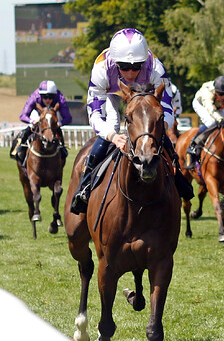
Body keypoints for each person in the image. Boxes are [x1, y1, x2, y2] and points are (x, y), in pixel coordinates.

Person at [70, 28, 192, 214]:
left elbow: (167, 108)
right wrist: (112, 136)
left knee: (154, 129)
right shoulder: (101, 69)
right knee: (111, 125)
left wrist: (158, 128)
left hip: (145, 96)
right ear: (115, 62)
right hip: (112, 95)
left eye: (136, 67)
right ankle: (85, 186)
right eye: (124, 67)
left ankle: (178, 179)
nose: (130, 72)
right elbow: (94, 114)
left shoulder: (155, 68)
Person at [11, 80, 72, 165]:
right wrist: (32, 122)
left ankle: (62, 151)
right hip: (37, 114)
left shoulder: (59, 98)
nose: (47, 100)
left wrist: (59, 123)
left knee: (58, 132)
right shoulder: (35, 97)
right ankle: (18, 149)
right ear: (40, 95)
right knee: (25, 132)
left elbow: (68, 118)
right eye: (45, 97)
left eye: (50, 97)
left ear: (54, 96)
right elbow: (23, 116)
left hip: (51, 117)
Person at [185, 75, 224, 166]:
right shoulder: (207, 93)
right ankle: (194, 143)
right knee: (211, 122)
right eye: (220, 94)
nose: (223, 97)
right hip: (201, 104)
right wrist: (219, 119)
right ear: (215, 91)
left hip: (217, 107)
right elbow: (211, 109)